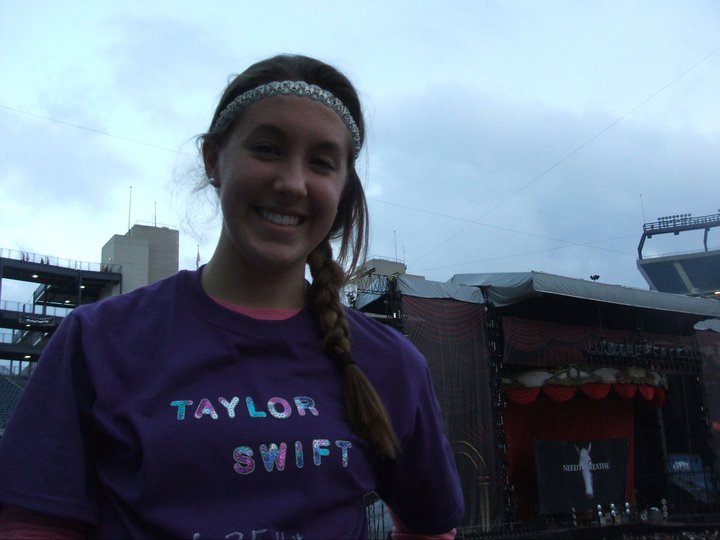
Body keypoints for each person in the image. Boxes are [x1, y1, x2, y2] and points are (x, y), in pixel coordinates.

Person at [0, 54, 464, 539]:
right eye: (266, 149)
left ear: (343, 188)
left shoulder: (391, 364)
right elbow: (35, 524)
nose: (291, 182)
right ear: (213, 159)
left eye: (321, 163)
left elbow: (431, 528)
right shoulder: (98, 340)